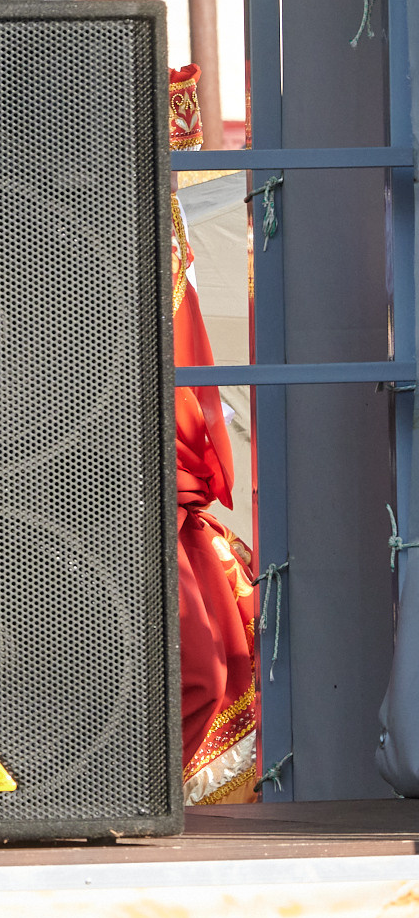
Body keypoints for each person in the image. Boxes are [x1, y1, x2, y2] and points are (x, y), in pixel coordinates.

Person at [168, 64, 259, 804]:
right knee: (201, 665)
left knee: (229, 651)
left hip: (179, 485)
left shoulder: (169, 240)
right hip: (140, 488)